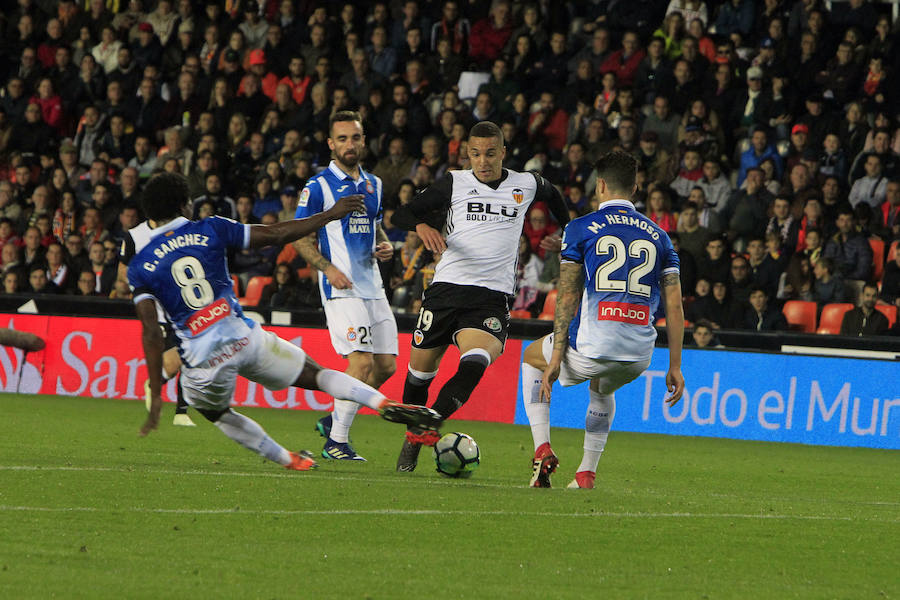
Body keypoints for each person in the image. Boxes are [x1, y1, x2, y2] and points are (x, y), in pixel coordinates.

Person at [128, 172, 440, 470]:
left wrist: (156, 392)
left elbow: (152, 334)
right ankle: (382, 403)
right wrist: (328, 215)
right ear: (186, 205)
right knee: (319, 376)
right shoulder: (211, 228)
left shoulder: (140, 265)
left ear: (151, 215)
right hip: (245, 339)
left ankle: (288, 459)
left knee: (219, 414)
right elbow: (277, 234)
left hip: (203, 362)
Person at [391, 120, 570, 472]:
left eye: (490, 153)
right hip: (445, 290)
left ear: (503, 152)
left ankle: (431, 422)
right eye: (475, 154)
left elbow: (556, 197)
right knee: (417, 380)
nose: (483, 161)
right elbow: (402, 213)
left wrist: (567, 230)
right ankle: (413, 437)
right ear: (467, 154)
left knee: (475, 362)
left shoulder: (527, 183)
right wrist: (423, 225)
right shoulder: (455, 182)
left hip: (490, 296)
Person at [520, 151, 685, 489]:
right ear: (636, 188)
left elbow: (567, 295)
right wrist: (675, 366)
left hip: (591, 348)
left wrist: (555, 358)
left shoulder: (579, 228)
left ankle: (542, 448)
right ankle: (586, 473)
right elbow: (676, 306)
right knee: (602, 387)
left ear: (601, 185)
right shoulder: (660, 236)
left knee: (530, 360)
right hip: (639, 355)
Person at [293, 111, 397, 462]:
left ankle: (335, 419)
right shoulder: (318, 187)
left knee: (387, 366)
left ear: (363, 140)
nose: (349, 145)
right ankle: (337, 441)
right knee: (362, 363)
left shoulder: (374, 185)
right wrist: (328, 268)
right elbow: (300, 239)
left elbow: (375, 226)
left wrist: (385, 245)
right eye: (342, 139)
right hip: (341, 287)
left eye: (354, 138)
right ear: (330, 144)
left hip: (373, 284)